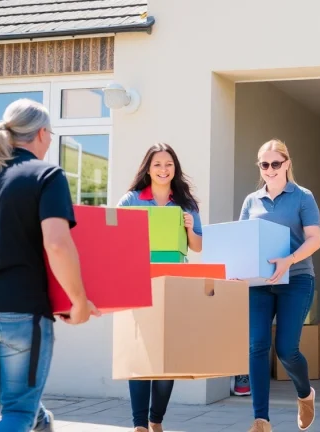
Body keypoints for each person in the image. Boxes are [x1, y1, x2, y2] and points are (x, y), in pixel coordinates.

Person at [0, 98, 100, 431]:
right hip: (20, 314)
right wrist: (78, 302)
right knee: (19, 411)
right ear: (39, 133)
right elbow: (56, 244)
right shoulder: (47, 175)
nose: (51, 141)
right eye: (51, 134)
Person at [117, 143, 203, 432]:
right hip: (138, 284)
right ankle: (139, 424)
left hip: (174, 287)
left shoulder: (185, 202)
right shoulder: (132, 199)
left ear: (175, 168)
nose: (163, 170)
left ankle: (156, 420)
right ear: (148, 168)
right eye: (157, 164)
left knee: (167, 359)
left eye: (168, 164)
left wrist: (190, 227)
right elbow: (114, 235)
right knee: (141, 356)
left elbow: (198, 247)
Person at [237, 139, 320, 432]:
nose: (270, 170)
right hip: (259, 283)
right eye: (264, 164)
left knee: (286, 349)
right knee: (257, 345)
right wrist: (238, 270)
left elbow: (314, 239)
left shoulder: (302, 197)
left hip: (296, 279)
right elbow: (242, 242)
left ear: (287, 163)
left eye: (275, 163)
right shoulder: (251, 201)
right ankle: (261, 420)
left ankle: (304, 394)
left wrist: (289, 259)